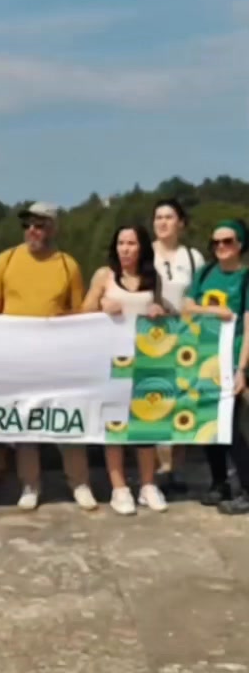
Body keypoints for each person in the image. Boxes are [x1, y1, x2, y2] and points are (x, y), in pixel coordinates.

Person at [0, 201, 98, 513]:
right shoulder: (5, 260)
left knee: (69, 419)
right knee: (26, 421)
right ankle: (30, 483)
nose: (32, 230)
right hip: (18, 356)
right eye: (28, 225)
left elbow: (80, 313)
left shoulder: (68, 265)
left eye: (39, 224)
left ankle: (80, 482)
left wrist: (66, 318)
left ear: (53, 228)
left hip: (60, 357)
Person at [83, 224, 170, 515]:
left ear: (142, 247)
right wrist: (101, 308)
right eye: (121, 243)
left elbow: (164, 312)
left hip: (147, 360)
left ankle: (147, 485)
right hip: (112, 362)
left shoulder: (152, 278)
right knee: (115, 425)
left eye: (131, 243)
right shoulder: (103, 276)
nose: (125, 249)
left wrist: (160, 311)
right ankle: (119, 488)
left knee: (147, 424)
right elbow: (82, 314)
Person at [184, 219, 249, 516]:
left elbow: (248, 327)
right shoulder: (205, 273)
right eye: (216, 242)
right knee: (210, 427)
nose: (221, 247)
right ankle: (219, 482)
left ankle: (246, 489)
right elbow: (187, 307)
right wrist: (216, 312)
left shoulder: (246, 277)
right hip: (206, 360)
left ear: (241, 244)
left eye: (228, 241)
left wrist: (243, 370)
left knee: (234, 429)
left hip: (234, 359)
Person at [153, 197, 206, 494]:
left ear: (181, 224)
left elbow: (199, 296)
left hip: (186, 338)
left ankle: (178, 470)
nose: (162, 222)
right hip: (152, 339)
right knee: (156, 403)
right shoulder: (145, 254)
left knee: (182, 404)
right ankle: (159, 470)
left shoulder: (193, 257)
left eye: (169, 217)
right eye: (158, 217)